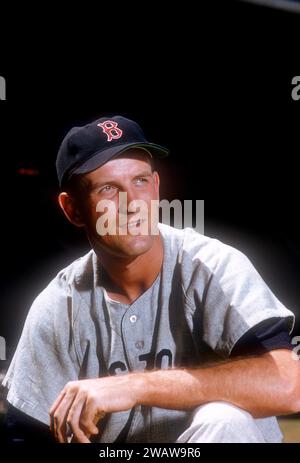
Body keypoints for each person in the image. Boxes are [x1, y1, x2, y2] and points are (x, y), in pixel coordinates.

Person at [2, 115, 299, 443]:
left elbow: (289, 385)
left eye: (140, 182)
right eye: (108, 189)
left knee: (225, 420)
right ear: (72, 209)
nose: (132, 205)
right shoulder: (58, 307)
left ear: (156, 187)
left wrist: (134, 386)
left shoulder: (210, 266)